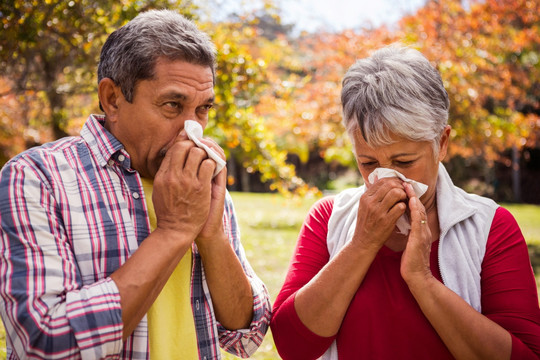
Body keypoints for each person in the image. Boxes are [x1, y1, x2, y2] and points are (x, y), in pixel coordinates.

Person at [0, 9, 271, 359]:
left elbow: (245, 335)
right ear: (113, 98)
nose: (193, 131)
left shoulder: (201, 183)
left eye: (203, 109)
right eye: (173, 105)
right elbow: (45, 342)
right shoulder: (37, 177)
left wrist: (212, 236)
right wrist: (174, 230)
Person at [270, 44, 540, 359]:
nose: (387, 179)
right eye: (368, 163)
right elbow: (292, 346)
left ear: (441, 143)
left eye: (404, 160)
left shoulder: (489, 227)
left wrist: (422, 280)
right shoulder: (329, 217)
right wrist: (361, 244)